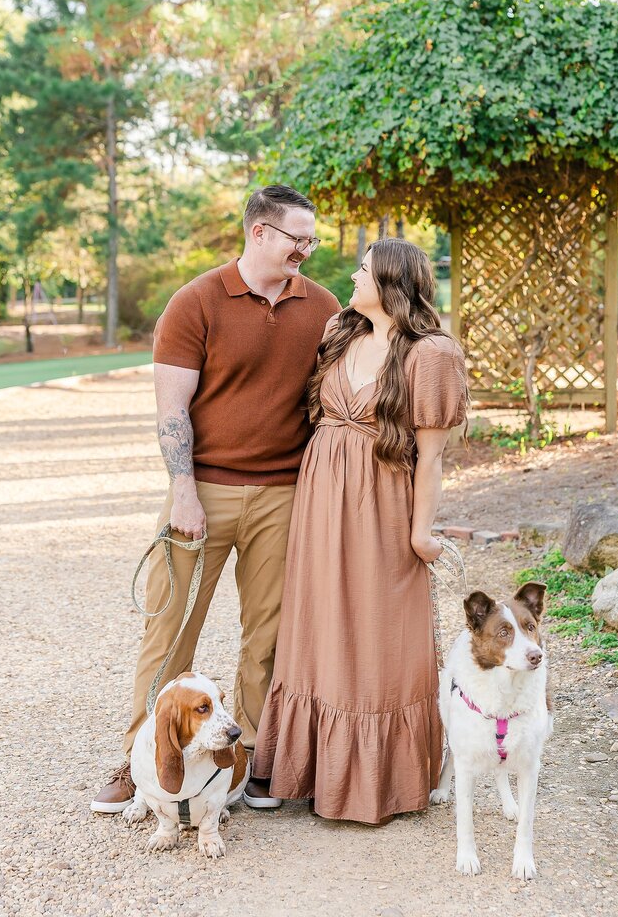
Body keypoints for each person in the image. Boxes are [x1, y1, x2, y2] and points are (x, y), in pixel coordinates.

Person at [91, 185, 340, 813]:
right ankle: (139, 759)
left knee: (268, 636)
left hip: (284, 494)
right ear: (259, 232)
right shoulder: (195, 302)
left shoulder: (324, 307)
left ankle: (246, 763)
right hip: (201, 494)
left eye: (312, 240)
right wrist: (183, 492)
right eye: (297, 239)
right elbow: (171, 409)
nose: (306, 251)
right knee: (169, 633)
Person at [251, 238, 468, 825]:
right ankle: (306, 769)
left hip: (381, 505)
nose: (352, 275)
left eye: (364, 271)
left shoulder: (430, 355)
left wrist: (422, 532)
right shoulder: (339, 334)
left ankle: (378, 780)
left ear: (393, 283)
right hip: (320, 501)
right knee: (317, 626)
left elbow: (431, 458)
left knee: (377, 632)